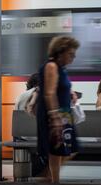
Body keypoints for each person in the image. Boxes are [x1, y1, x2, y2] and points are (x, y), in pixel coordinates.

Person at [36, 36, 80, 183]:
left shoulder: (61, 68)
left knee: (70, 148)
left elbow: (60, 87)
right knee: (57, 150)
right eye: (71, 54)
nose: (73, 58)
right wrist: (55, 118)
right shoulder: (52, 66)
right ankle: (54, 180)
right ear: (60, 52)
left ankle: (49, 176)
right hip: (56, 114)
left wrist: (70, 93)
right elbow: (49, 93)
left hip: (64, 114)